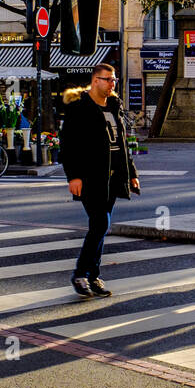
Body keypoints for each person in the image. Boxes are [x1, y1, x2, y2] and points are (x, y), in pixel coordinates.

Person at [62, 64, 140, 297]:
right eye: (108, 80)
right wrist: (73, 176)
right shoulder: (79, 108)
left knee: (100, 227)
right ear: (95, 80)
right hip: (89, 176)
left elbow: (124, 144)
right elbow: (68, 146)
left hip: (113, 176)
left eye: (114, 80)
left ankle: (93, 276)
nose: (112, 84)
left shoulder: (115, 106)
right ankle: (81, 274)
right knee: (100, 224)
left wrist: (132, 173)